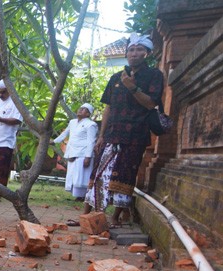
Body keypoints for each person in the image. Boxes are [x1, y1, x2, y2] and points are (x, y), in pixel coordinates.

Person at [84, 33, 164, 226]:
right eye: (131, 50)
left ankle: (115, 217)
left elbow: (150, 103)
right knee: (99, 173)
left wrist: (132, 88)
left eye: (139, 50)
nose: (134, 53)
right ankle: (88, 215)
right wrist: (100, 136)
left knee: (125, 175)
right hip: (112, 134)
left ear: (147, 53)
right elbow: (108, 108)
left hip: (136, 134)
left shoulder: (154, 76)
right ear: (126, 53)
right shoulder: (115, 78)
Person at [52, 103, 98, 201]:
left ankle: (84, 197)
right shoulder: (72, 122)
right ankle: (78, 196)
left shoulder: (91, 125)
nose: (80, 110)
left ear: (88, 114)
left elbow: (91, 141)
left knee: (82, 177)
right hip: (73, 152)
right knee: (74, 176)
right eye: (80, 108)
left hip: (83, 154)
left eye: (84, 109)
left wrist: (88, 157)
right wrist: (54, 141)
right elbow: (65, 133)